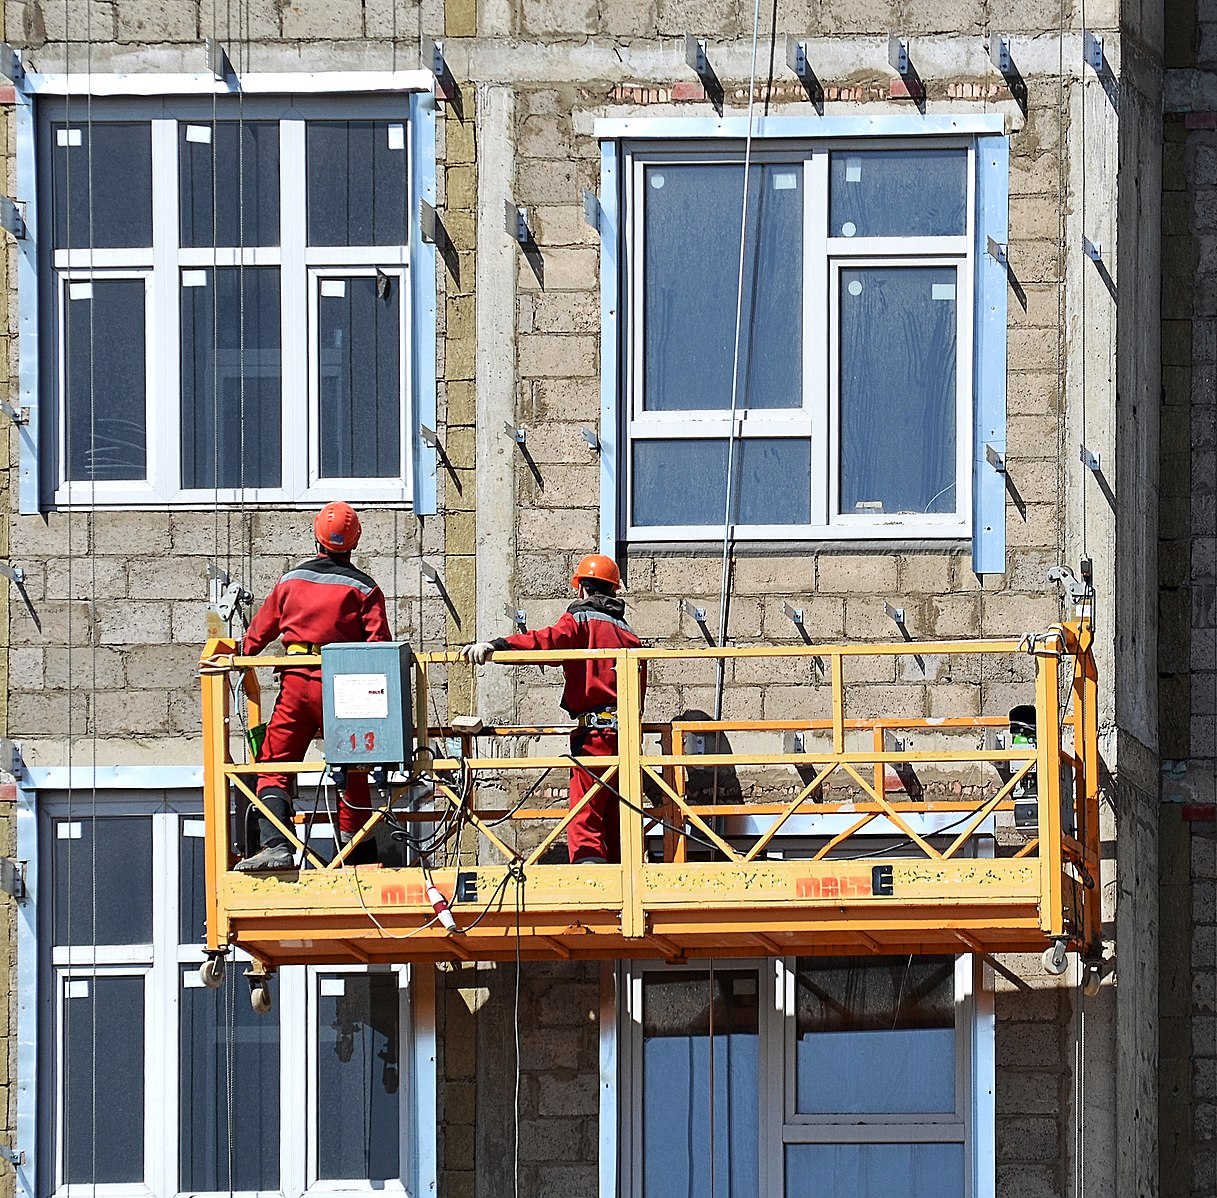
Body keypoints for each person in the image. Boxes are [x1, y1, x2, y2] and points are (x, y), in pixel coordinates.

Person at [236, 502, 391, 871]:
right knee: (352, 765)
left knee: (274, 763)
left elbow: (257, 635)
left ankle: (275, 844)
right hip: (341, 687)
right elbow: (379, 648)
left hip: (294, 678)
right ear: (355, 542)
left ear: (315, 535)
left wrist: (235, 654)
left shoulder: (290, 581)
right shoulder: (364, 588)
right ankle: (357, 857)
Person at [461, 554, 642, 864]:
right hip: (625, 736)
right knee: (615, 815)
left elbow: (546, 642)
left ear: (583, 589)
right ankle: (620, 883)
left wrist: (499, 646)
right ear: (613, 591)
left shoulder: (582, 621)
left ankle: (590, 886)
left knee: (585, 816)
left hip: (595, 736)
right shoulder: (629, 635)